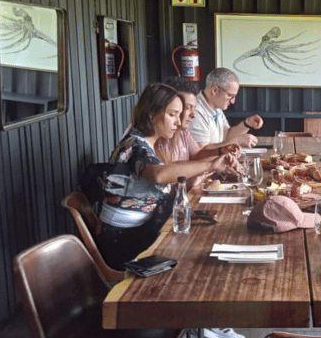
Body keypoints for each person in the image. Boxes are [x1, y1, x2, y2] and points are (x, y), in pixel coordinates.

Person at [96, 82, 239, 272]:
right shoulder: (135, 144)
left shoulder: (146, 143)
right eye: (172, 115)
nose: (179, 122)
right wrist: (211, 165)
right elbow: (159, 175)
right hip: (122, 240)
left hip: (139, 229)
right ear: (151, 113)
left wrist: (193, 179)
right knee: (197, 255)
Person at [154, 78, 246, 338]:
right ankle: (195, 320)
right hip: (154, 223)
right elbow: (167, 178)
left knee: (225, 235)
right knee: (208, 246)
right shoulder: (149, 142)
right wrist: (209, 167)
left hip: (168, 213)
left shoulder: (179, 132)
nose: (190, 116)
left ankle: (207, 315)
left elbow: (196, 158)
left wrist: (219, 156)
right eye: (180, 111)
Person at [155, 77, 239, 189]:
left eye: (194, 108)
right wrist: (211, 165)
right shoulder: (156, 135)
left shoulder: (182, 131)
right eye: (188, 108)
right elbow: (161, 176)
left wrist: (220, 152)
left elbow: (197, 155)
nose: (193, 115)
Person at [189, 67, 263, 151]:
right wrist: (236, 141)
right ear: (215, 90)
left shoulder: (216, 107)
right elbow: (201, 152)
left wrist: (247, 123)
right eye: (230, 95)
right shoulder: (196, 112)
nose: (233, 101)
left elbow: (226, 136)